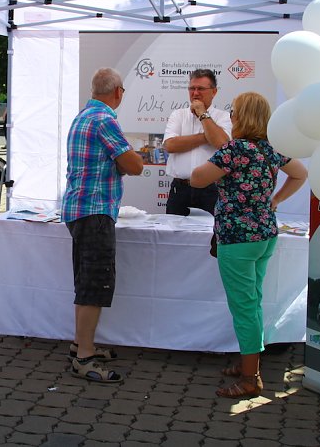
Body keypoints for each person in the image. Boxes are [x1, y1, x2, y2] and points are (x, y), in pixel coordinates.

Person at [190, 92, 307, 399]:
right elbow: (300, 173)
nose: (231, 116)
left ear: (240, 117)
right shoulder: (271, 149)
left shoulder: (234, 150)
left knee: (244, 307)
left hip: (238, 239)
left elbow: (197, 179)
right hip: (265, 235)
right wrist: (276, 200)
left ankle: (250, 377)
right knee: (252, 301)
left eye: (234, 112)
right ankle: (248, 362)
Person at [61, 68, 144, 384]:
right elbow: (134, 165)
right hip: (95, 211)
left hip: (80, 209)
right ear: (118, 92)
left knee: (86, 282)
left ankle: (81, 345)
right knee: (94, 286)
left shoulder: (82, 116)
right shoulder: (105, 120)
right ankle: (83, 358)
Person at [163, 69, 231, 216]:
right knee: (173, 236)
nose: (195, 93)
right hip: (180, 189)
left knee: (212, 237)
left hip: (212, 190)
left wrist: (203, 114)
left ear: (214, 92)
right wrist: (207, 136)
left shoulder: (224, 117)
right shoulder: (178, 114)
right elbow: (170, 145)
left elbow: (223, 145)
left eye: (200, 89)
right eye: (192, 88)